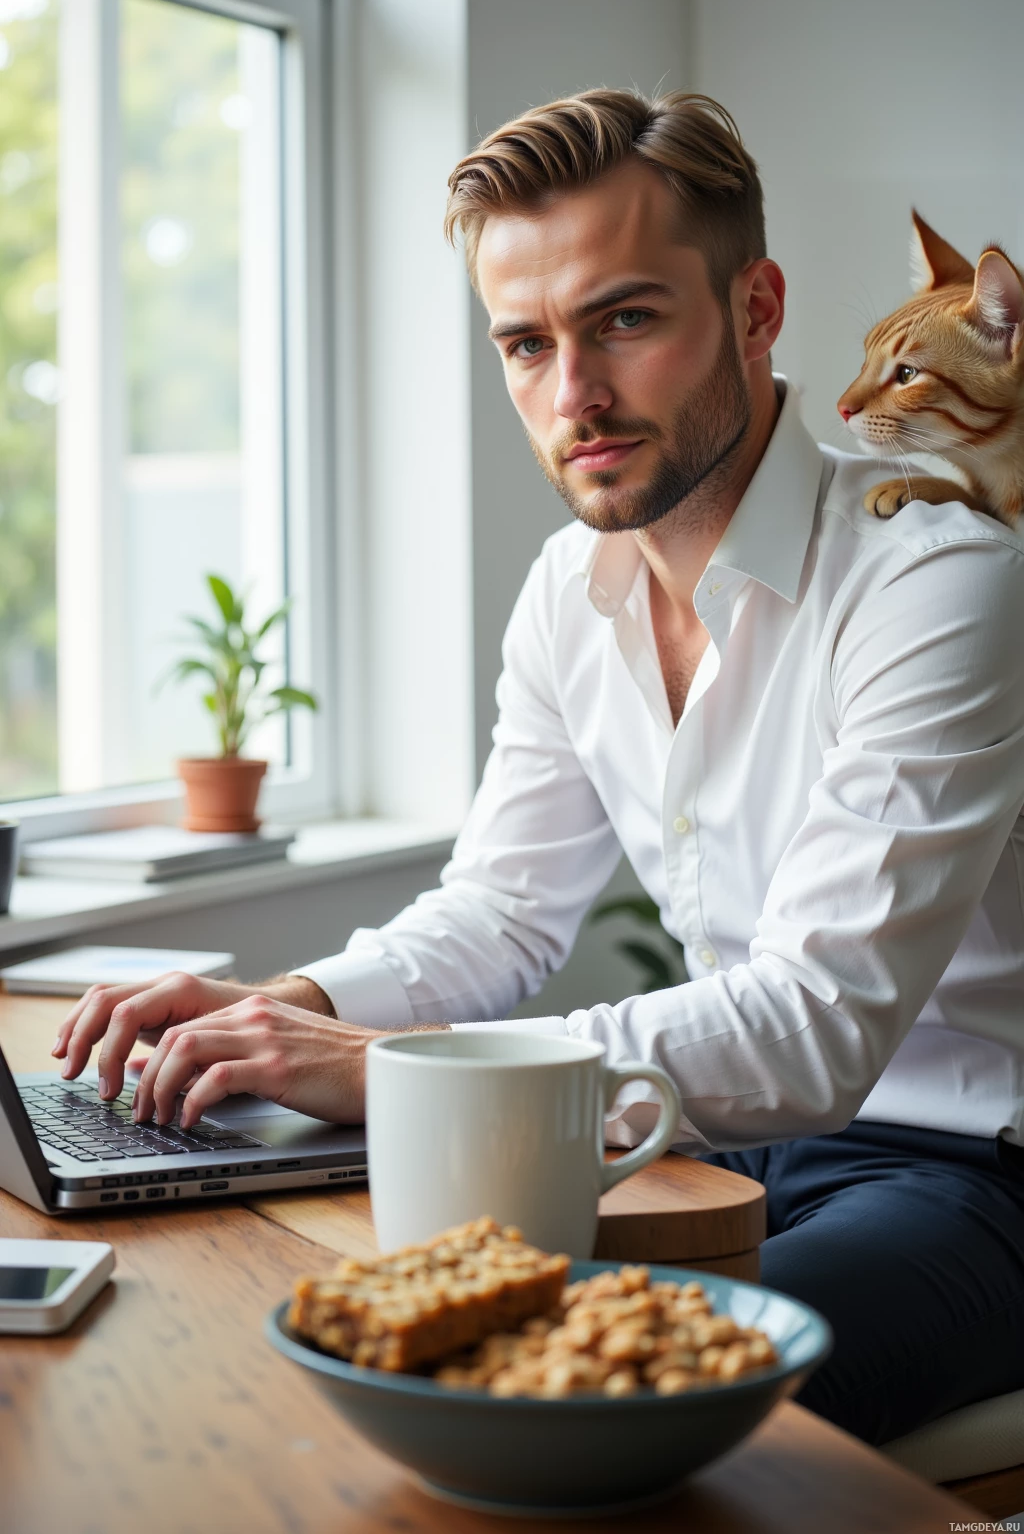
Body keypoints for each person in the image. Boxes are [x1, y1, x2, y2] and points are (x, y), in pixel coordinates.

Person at [54, 91, 1024, 1446]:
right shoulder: (571, 589)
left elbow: (815, 1024)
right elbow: (502, 911)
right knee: (342, 1322)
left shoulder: (943, 582)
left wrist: (384, 1064)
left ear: (755, 309)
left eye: (625, 319)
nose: (572, 395)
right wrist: (288, 1008)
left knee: (587, 1397)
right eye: (525, 342)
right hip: (712, 1149)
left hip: (967, 1175)